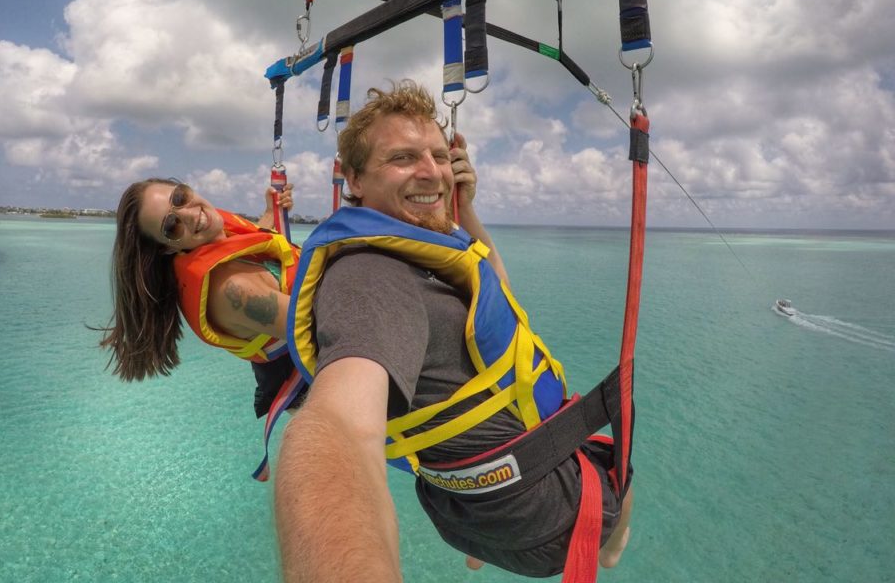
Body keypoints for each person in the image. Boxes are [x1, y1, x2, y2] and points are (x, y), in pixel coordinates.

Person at [274, 81, 633, 582]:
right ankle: (613, 550)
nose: (431, 171)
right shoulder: (371, 279)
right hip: (549, 520)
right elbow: (339, 427)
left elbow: (497, 294)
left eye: (439, 156)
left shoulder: (417, 246)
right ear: (353, 178)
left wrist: (463, 210)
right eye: (403, 158)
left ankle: (477, 553)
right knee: (622, 465)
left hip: (458, 512)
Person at [102, 178, 302, 420]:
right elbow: (322, 326)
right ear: (167, 248)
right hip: (313, 389)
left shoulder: (217, 240)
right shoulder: (232, 290)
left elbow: (252, 241)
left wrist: (271, 211)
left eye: (179, 197)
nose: (188, 214)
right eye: (171, 226)